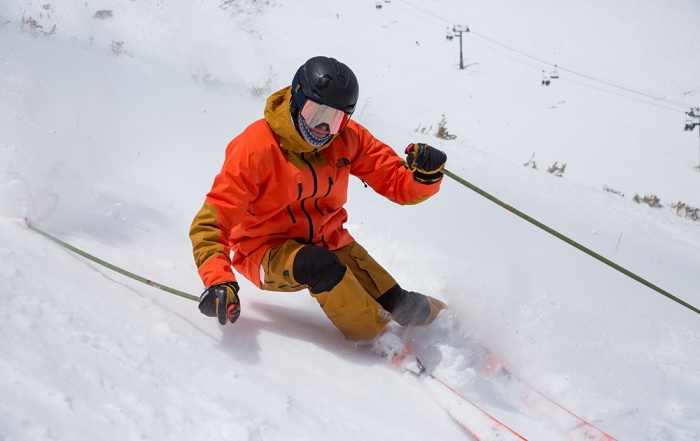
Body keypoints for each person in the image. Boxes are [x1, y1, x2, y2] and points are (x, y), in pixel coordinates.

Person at [189, 56, 448, 353]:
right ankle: (381, 340)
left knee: (402, 304)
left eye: (336, 119)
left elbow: (397, 184)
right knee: (319, 266)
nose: (324, 129)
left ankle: (447, 322)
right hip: (263, 251)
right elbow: (210, 223)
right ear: (297, 99)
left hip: (329, 241)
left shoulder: (345, 139)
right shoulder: (255, 149)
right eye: (316, 115)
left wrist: (424, 178)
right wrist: (220, 281)